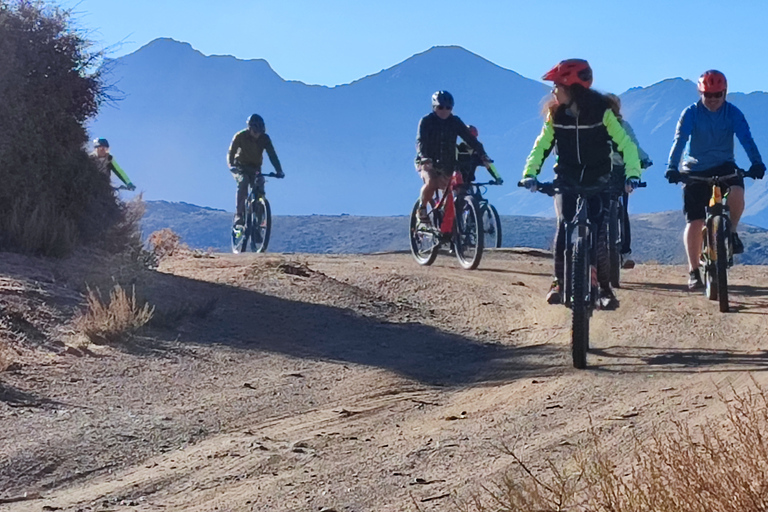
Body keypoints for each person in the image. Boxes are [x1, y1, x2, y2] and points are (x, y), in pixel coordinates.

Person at [520, 59, 643, 310]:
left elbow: (626, 146)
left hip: (599, 179)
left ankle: (605, 289)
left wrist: (632, 174)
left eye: (557, 86)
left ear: (571, 87)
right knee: (564, 227)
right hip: (566, 178)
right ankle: (558, 282)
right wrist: (530, 173)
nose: (553, 91)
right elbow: (542, 146)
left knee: (599, 235)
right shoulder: (556, 115)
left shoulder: (602, 112)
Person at [665, 70, 766, 290]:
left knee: (738, 190)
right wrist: (672, 167)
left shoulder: (733, 114)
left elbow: (747, 139)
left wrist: (757, 163)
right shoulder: (690, 113)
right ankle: (693, 271)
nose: (712, 100)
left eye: (717, 95)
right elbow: (679, 141)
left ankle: (730, 233)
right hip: (694, 167)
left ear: (725, 93)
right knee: (695, 221)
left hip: (724, 165)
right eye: (707, 95)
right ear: (701, 93)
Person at [415, 91, 492, 225]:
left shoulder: (455, 122)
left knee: (453, 190)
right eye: (440, 107)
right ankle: (421, 208)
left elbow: (470, 140)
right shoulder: (426, 121)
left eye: (448, 108)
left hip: (447, 162)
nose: (444, 111)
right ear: (434, 107)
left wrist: (483, 155)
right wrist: (424, 157)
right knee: (432, 182)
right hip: (427, 160)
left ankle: (449, 226)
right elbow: (420, 141)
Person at [605, 94, 653, 269]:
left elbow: (632, 147)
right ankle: (622, 253)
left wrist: (643, 159)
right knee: (621, 210)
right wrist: (645, 160)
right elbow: (635, 146)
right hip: (608, 170)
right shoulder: (620, 126)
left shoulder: (623, 127)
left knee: (621, 209)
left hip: (618, 171)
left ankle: (624, 252)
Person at [227, 114, 285, 228]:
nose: (257, 135)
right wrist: (231, 165)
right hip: (240, 167)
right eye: (255, 132)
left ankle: (258, 223)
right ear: (249, 129)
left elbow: (272, 155)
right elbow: (231, 153)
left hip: (255, 168)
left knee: (260, 187)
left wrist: (279, 171)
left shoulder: (265, 138)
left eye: (260, 132)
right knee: (243, 182)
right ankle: (239, 215)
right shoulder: (240, 136)